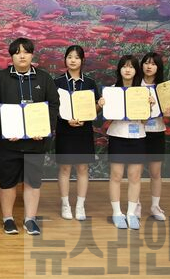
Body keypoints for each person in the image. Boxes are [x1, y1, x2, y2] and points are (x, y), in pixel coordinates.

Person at [0, 37, 59, 236]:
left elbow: (54, 105)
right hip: (8, 143)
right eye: (17, 52)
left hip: (36, 142)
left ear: (32, 55)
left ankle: (30, 219)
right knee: (7, 182)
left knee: (32, 182)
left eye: (26, 52)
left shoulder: (44, 78)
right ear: (11, 56)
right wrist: (6, 128)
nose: (22, 56)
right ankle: (8, 219)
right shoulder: (0, 78)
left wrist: (43, 129)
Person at [100, 55, 147, 230]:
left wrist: (148, 107)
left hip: (137, 136)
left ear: (136, 71)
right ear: (119, 70)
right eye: (124, 66)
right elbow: (108, 117)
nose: (128, 70)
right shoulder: (111, 91)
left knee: (135, 176)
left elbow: (144, 121)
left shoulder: (143, 92)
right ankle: (117, 213)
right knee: (116, 175)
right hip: (117, 135)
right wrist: (103, 104)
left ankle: (131, 213)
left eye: (131, 67)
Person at [54, 45, 99, 221]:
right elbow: (53, 106)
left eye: (77, 57)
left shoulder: (89, 83)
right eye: (69, 57)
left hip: (84, 130)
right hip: (65, 129)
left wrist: (99, 105)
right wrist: (65, 118)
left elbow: (94, 109)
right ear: (65, 59)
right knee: (65, 168)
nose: (73, 60)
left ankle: (80, 206)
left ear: (82, 60)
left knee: (83, 168)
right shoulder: (57, 82)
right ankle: (65, 204)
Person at [139, 52, 170, 221]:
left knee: (155, 172)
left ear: (158, 67)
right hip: (137, 132)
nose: (149, 66)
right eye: (146, 63)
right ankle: (135, 204)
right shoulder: (135, 85)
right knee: (135, 172)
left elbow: (169, 113)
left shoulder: (164, 88)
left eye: (153, 64)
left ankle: (155, 206)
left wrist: (168, 112)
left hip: (156, 132)